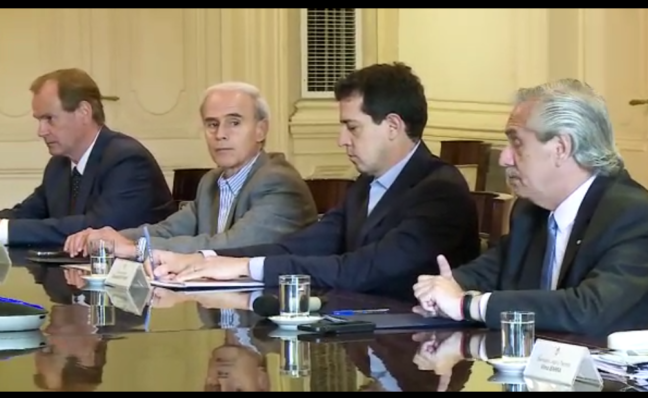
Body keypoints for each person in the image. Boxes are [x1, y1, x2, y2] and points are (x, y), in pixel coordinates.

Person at [147, 62, 480, 300]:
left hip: (422, 354)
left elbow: (362, 269)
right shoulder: (364, 185)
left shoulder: (440, 191)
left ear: (393, 126)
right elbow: (299, 245)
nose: (341, 140)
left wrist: (246, 266)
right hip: (365, 338)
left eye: (352, 127)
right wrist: (207, 259)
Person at [412, 78, 648, 336]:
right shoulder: (532, 210)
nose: (504, 158)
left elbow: (587, 309)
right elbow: (491, 271)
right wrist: (444, 287)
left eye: (517, 143)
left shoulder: (636, 217)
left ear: (561, 148)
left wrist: (466, 305)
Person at [63, 82, 317, 258]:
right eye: (212, 124)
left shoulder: (279, 181)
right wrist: (108, 237)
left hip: (272, 310)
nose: (220, 134)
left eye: (234, 123)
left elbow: (231, 246)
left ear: (261, 130)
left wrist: (135, 249)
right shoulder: (211, 181)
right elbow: (167, 230)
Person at [0, 68, 174, 247]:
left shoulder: (128, 160)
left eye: (49, 119)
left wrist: (3, 230)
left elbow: (97, 228)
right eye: (39, 120)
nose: (41, 131)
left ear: (84, 112)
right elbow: (26, 213)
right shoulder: (58, 165)